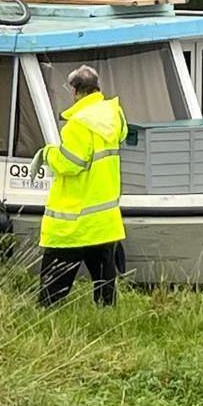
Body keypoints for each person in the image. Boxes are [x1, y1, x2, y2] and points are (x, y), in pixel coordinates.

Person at [30, 65, 127, 306]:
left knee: (51, 294)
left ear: (76, 91)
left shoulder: (78, 125)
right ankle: (106, 316)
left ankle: (46, 317)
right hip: (104, 220)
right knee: (105, 288)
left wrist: (48, 153)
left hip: (74, 221)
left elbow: (69, 164)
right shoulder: (114, 115)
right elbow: (122, 136)